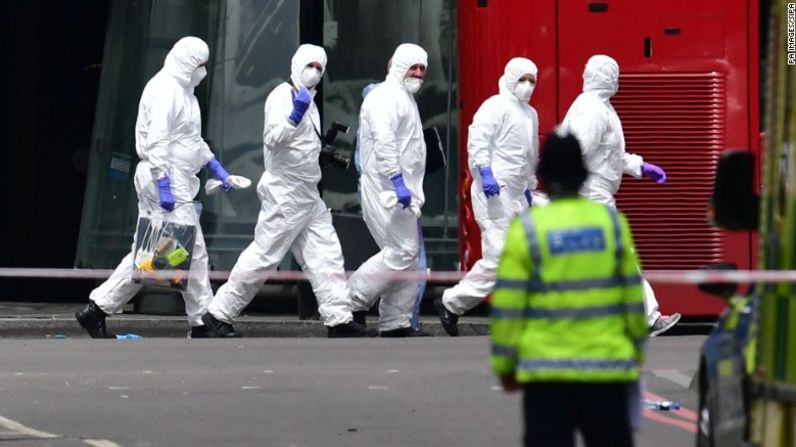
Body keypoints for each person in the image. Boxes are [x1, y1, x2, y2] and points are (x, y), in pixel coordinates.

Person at [490, 129, 647, 447]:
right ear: (583, 177)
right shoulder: (612, 225)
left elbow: (508, 306)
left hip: (546, 376)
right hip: (607, 371)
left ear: (543, 179)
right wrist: (636, 352)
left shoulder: (528, 229)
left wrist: (505, 363)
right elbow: (633, 297)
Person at [198, 44, 367, 338]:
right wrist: (294, 116)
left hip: (306, 192)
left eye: (319, 67)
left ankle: (339, 318)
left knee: (325, 254)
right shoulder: (282, 97)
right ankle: (217, 314)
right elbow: (273, 139)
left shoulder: (309, 102)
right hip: (286, 192)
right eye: (310, 65)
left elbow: (299, 146)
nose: (314, 71)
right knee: (265, 255)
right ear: (297, 64)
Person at [75, 37, 238, 338]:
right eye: (200, 65)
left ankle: (97, 308)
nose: (204, 70)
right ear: (188, 64)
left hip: (174, 179)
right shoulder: (166, 90)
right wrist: (163, 184)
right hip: (166, 180)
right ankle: (203, 321)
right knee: (186, 251)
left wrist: (216, 168)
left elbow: (191, 140)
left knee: (157, 253)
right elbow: (159, 142)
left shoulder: (185, 92)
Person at [560, 54, 680, 336]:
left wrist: (640, 166)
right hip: (591, 196)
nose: (617, 79)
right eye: (613, 73)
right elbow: (576, 153)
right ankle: (647, 318)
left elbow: (609, 155)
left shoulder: (600, 107)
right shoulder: (592, 110)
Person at [434, 57, 540, 336]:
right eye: (523, 80)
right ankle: (452, 302)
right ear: (510, 79)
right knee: (499, 258)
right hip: (493, 192)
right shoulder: (495, 106)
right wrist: (485, 173)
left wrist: (530, 186)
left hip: (517, 193)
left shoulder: (530, 114)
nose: (528, 86)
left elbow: (530, 154)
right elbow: (477, 140)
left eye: (532, 81)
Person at [347, 43, 428, 337]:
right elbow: (384, 141)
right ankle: (351, 300)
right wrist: (396, 179)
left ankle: (396, 322)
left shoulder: (403, 98)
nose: (418, 74)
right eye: (413, 67)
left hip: (402, 191)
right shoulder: (385, 97)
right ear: (398, 66)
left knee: (408, 254)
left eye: (422, 69)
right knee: (402, 250)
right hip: (385, 188)